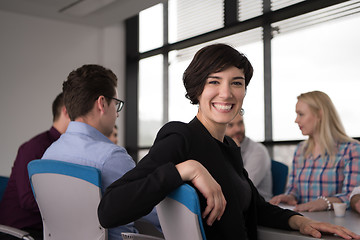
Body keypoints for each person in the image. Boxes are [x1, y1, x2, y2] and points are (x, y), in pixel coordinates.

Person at [98, 44, 359, 240]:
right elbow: (110, 210)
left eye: (237, 83)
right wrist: (185, 169)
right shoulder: (180, 137)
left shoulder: (230, 147)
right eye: (214, 81)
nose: (227, 92)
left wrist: (299, 221)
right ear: (197, 89)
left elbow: (256, 207)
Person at [41, 65, 160, 240]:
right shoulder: (112, 157)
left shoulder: (49, 155)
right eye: (116, 104)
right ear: (102, 103)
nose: (117, 115)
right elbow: (158, 214)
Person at [270, 91, 360, 212]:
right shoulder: (301, 150)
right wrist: (289, 197)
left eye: (301, 114)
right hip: (303, 221)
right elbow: (294, 189)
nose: (296, 120)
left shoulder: (351, 149)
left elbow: (353, 196)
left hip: (336, 224)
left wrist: (325, 202)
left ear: (319, 114)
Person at [0, 92, 70, 240]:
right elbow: (28, 199)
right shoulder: (36, 147)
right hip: (21, 232)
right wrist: (70, 208)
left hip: (47, 231)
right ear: (66, 111)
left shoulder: (64, 148)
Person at [225, 113, 272, 200]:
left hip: (256, 208)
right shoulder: (221, 149)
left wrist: (234, 154)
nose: (238, 129)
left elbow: (241, 189)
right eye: (230, 125)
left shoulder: (258, 151)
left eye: (240, 123)